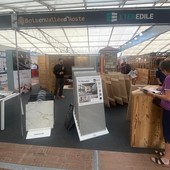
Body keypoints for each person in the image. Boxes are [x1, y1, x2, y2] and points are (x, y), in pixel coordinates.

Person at [143, 60, 170, 166]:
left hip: (169, 110)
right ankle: (168, 153)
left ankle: (166, 159)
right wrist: (161, 89)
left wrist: (153, 94)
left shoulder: (168, 77)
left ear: (164, 69)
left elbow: (168, 97)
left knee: (168, 134)